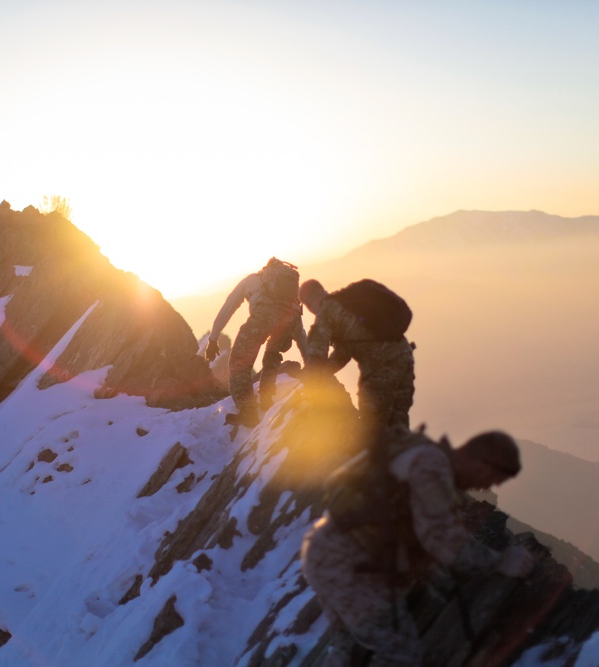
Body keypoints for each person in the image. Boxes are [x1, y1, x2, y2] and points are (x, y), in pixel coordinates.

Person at [301, 429, 537, 667]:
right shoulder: (431, 466)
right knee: (399, 654)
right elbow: (442, 540)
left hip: (330, 554)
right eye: (492, 478)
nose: (486, 487)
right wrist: (500, 561)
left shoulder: (422, 455)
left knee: (349, 649)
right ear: (482, 465)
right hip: (348, 565)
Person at [300, 279, 415, 437]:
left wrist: (309, 384)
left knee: (371, 431)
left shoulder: (326, 311)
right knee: (399, 425)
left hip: (380, 369)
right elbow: (343, 354)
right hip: (404, 356)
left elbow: (316, 353)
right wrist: (326, 372)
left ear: (308, 304)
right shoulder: (346, 302)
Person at [205, 258, 307, 427]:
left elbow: (228, 307)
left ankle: (248, 412)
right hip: (291, 319)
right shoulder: (289, 293)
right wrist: (311, 359)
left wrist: (213, 339)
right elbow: (300, 329)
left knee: (239, 362)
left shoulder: (253, 280)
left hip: (264, 317)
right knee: (273, 353)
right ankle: (266, 397)